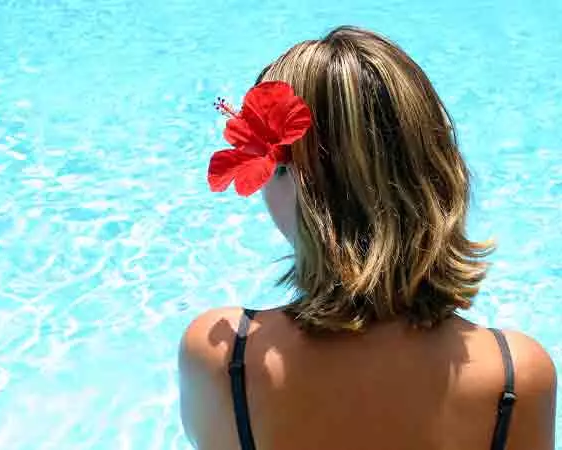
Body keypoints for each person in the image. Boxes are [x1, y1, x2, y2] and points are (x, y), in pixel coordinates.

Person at [178, 26, 557, 450]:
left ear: (295, 179)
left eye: (272, 164)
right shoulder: (516, 377)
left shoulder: (226, 359)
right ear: (436, 170)